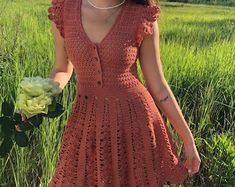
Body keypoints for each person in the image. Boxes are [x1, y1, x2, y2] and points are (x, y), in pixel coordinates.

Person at [22, 0, 201, 186]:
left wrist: (188, 140)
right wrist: (39, 98)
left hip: (134, 124)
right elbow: (62, 68)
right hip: (86, 122)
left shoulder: (142, 14)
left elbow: (159, 87)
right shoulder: (64, 10)